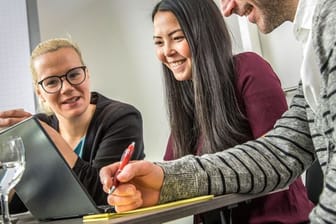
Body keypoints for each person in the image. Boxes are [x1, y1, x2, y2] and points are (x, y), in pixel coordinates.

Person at [100, 0, 336, 223]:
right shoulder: (315, 51)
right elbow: (279, 152)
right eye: (159, 42)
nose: (227, 8)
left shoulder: (329, 25)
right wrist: (164, 179)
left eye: (178, 37)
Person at [151, 0, 313, 223]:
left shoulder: (249, 69)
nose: (167, 51)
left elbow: (277, 156)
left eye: (177, 38)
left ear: (204, 35)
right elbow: (173, 173)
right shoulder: (187, 100)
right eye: (158, 42)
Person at [0, 38, 145, 212]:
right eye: (52, 82)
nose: (66, 87)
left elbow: (104, 196)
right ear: (40, 93)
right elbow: (21, 207)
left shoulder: (122, 118)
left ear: (87, 74)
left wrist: (48, 139)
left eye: (74, 74)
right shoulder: (36, 128)